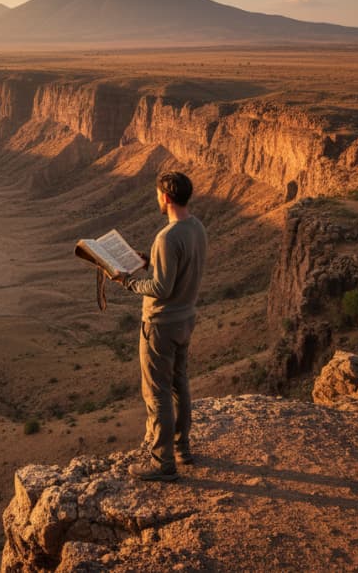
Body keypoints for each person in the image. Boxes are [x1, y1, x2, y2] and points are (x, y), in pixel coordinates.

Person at [112, 171, 206, 482]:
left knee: (157, 393)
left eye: (157, 195)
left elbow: (162, 288)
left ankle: (162, 463)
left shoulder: (167, 237)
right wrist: (149, 261)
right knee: (180, 384)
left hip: (161, 324)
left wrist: (128, 281)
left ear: (165, 197)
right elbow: (178, 270)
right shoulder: (197, 228)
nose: (156, 199)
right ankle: (183, 449)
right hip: (185, 319)